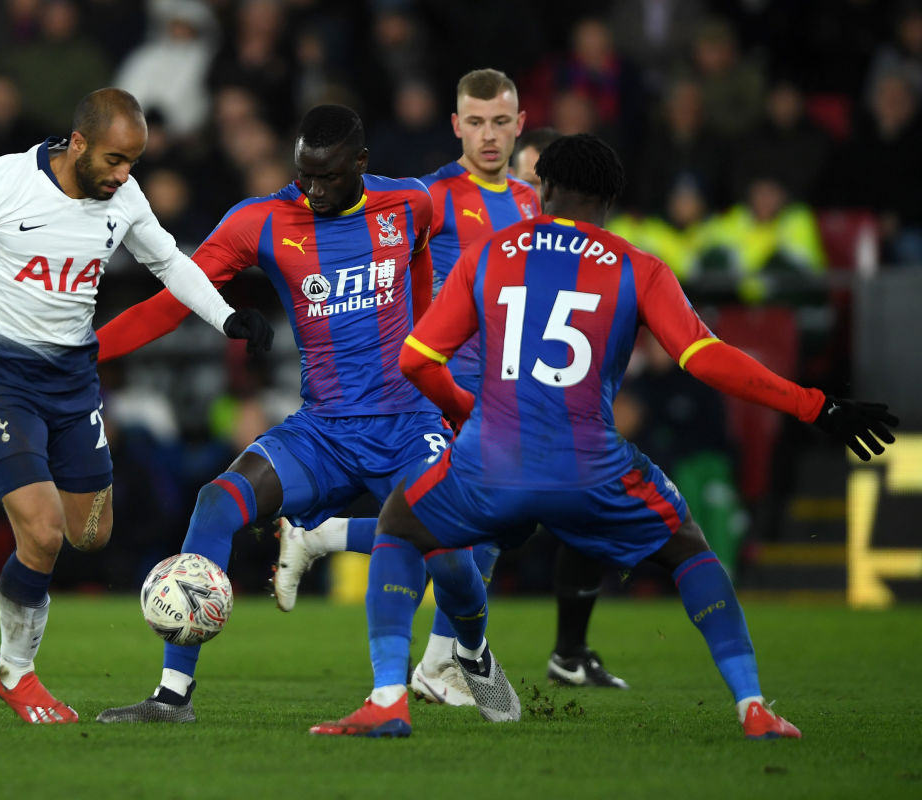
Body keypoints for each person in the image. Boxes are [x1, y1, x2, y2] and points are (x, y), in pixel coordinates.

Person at [311, 133, 897, 738]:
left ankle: (387, 699)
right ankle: (752, 707)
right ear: (611, 201)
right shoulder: (637, 266)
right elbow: (707, 359)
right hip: (590, 468)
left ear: (542, 189)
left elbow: (416, 358)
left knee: (401, 524)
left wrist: (467, 412)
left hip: (489, 464)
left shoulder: (488, 254)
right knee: (689, 549)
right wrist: (817, 406)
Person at [0, 88, 274, 724]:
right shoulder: (3, 183)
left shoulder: (123, 195)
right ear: (80, 143)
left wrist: (227, 317)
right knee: (42, 535)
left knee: (91, 534)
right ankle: (14, 672)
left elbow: (169, 262)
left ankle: (0, 456)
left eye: (134, 164)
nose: (125, 176)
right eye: (117, 160)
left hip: (71, 376)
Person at [272, 70, 625, 709]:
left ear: (521, 128)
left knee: (491, 523)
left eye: (501, 122)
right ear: (457, 125)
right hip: (444, 391)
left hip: (510, 387)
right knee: (475, 521)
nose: (489, 135)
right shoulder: (427, 197)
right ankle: (443, 664)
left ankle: (329, 544)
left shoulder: (530, 201)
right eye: (476, 122)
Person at [92, 104, 447, 724]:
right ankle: (173, 696)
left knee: (452, 551)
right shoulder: (260, 221)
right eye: (302, 175)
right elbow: (169, 303)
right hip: (324, 431)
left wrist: (438, 373)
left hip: (407, 423)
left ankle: (456, 657)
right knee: (217, 501)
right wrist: (83, 351)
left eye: (328, 178)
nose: (311, 190)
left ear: (361, 165)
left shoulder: (411, 204)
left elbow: (433, 276)